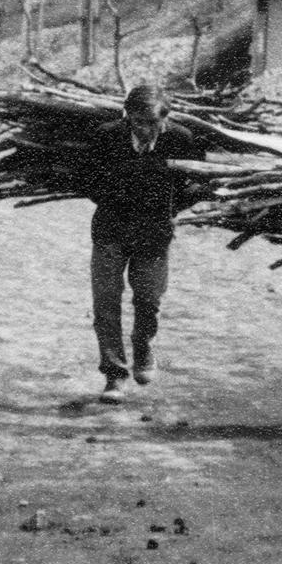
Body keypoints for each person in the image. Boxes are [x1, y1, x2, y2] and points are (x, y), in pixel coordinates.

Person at [84, 82, 198, 404]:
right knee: (105, 301)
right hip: (110, 229)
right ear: (127, 117)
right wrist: (120, 197)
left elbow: (196, 184)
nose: (146, 130)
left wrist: (168, 207)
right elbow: (88, 181)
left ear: (166, 118)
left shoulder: (180, 140)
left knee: (149, 299)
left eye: (153, 123)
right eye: (138, 122)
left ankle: (143, 344)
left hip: (154, 233)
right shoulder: (107, 136)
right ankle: (114, 374)